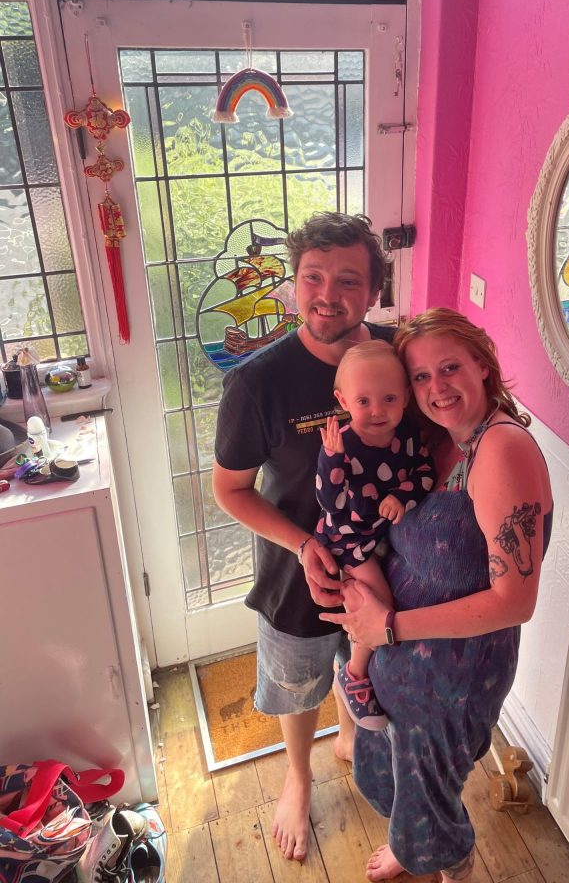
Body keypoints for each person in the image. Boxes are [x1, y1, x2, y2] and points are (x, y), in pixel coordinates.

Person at [319, 308, 553, 883]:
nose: (435, 387)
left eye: (449, 368)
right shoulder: (427, 440)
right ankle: (410, 846)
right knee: (403, 783)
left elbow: (515, 601)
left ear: (483, 366)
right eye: (419, 377)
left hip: (452, 675)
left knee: (432, 806)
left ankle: (456, 867)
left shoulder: (500, 451)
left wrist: (388, 629)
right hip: (396, 664)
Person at [212, 211, 393, 863]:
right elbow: (230, 489)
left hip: (387, 569)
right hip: (298, 576)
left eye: (348, 280)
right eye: (312, 277)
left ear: (374, 289)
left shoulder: (400, 355)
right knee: (296, 682)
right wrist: (300, 544)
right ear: (293, 284)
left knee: (363, 662)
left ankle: (349, 738)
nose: (327, 294)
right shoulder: (257, 383)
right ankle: (297, 773)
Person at [315, 340, 434, 730]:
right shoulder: (342, 445)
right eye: (363, 401)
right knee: (376, 604)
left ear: (405, 399)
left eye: (388, 399)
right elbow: (329, 503)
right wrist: (332, 459)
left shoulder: (410, 436)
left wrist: (403, 495)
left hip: (380, 535)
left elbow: (424, 475)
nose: (377, 411)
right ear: (343, 400)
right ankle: (354, 673)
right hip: (347, 541)